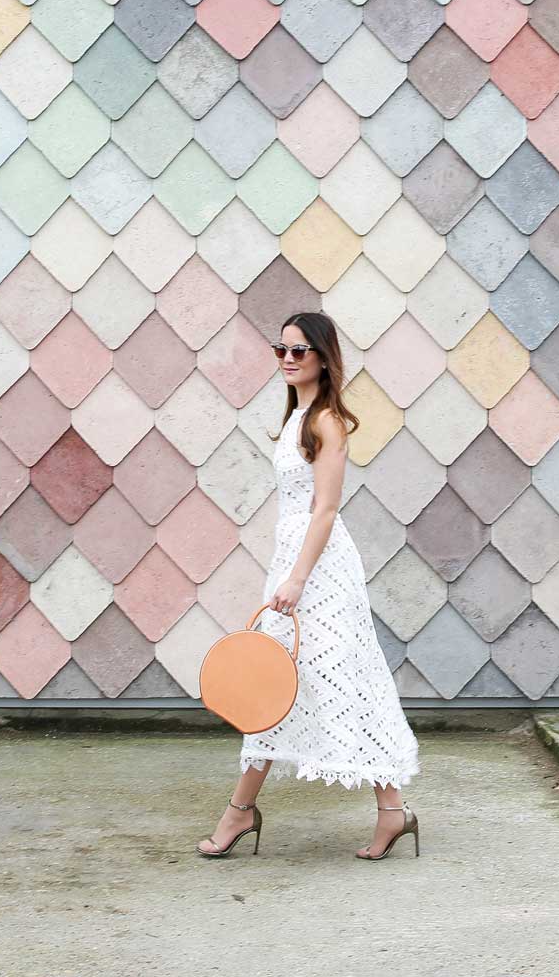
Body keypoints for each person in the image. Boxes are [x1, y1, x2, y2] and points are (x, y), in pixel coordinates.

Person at [197, 312, 421, 861]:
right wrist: (289, 572)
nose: (289, 359)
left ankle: (245, 812)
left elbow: (325, 509)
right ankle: (385, 811)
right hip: (294, 564)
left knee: (330, 676)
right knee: (275, 681)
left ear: (323, 356)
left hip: (319, 571)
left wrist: (297, 578)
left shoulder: (327, 421)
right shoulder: (297, 416)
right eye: (282, 350)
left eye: (300, 351)